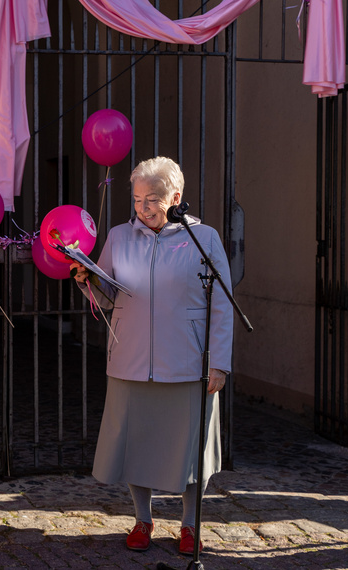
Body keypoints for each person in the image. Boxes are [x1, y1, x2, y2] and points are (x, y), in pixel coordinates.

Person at [71, 156, 234, 556]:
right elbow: (107, 297)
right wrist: (86, 279)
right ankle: (142, 518)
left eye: (153, 199)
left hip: (188, 360)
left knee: (191, 449)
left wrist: (219, 362)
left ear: (175, 197)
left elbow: (223, 305)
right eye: (138, 198)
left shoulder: (205, 238)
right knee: (136, 444)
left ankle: (191, 525)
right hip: (131, 358)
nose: (143, 208)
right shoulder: (119, 236)